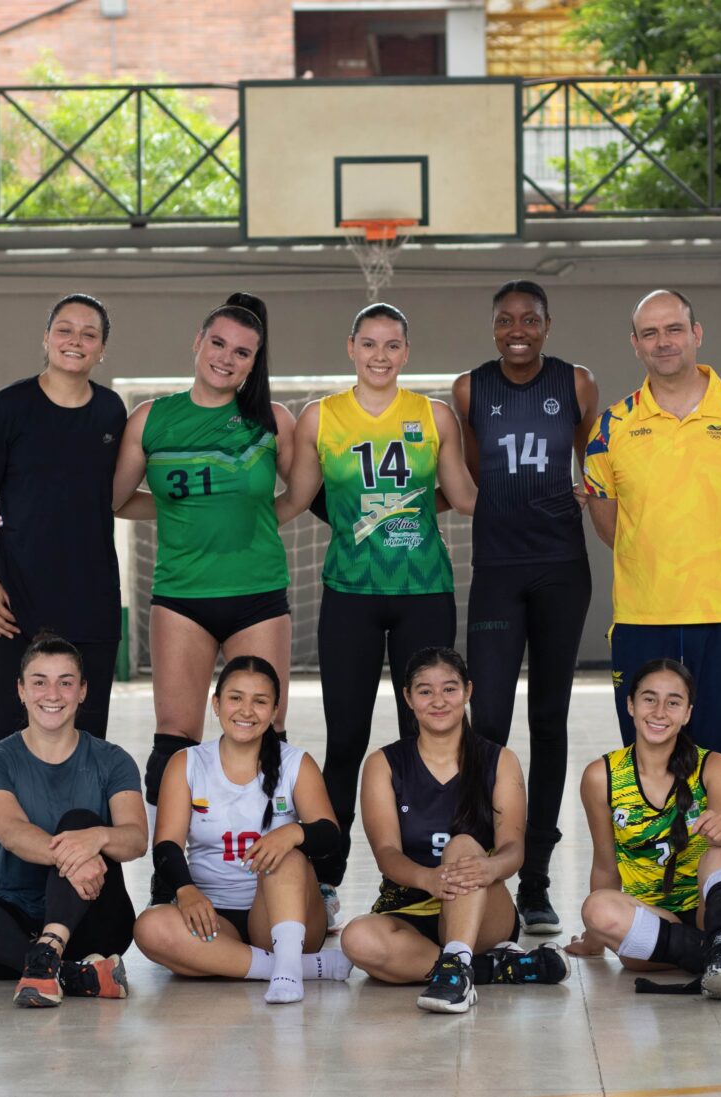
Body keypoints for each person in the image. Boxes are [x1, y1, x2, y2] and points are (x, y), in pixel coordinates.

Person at [275, 303, 478, 912]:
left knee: (429, 738)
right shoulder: (321, 416)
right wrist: (227, 519)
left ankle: (426, 877)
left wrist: (541, 501)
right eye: (370, 344)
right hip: (349, 595)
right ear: (351, 347)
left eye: (392, 345)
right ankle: (329, 880)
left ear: (407, 353)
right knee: (347, 739)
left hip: (423, 592)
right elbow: (298, 500)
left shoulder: (434, 414)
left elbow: (464, 495)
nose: (380, 356)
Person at [582, 289, 721, 841]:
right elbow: (608, 522)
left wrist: (714, 552)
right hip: (643, 619)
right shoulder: (611, 427)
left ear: (697, 334)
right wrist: (656, 556)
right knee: (645, 771)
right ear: (634, 345)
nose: (663, 342)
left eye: (673, 329)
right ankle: (651, 906)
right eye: (649, 333)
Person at [107, 295, 299, 853]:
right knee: (174, 740)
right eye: (217, 343)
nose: (226, 358)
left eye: (241, 352)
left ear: (253, 361)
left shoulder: (271, 421)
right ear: (198, 343)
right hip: (181, 597)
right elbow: (118, 499)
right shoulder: (151, 418)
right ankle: (174, 869)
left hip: (257, 594)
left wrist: (255, 519)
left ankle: (278, 861)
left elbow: (305, 493)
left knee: (267, 734)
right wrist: (179, 511)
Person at [0, 293, 128, 874]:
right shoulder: (7, 408)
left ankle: (82, 880)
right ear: (46, 337)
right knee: (9, 740)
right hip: (19, 602)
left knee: (87, 746)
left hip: (93, 603)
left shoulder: (112, 415)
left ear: (102, 347)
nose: (75, 339)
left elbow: (122, 498)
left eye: (88, 332)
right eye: (64, 329)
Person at [450, 279, 600, 935]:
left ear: (546, 324)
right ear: (493, 327)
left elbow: (593, 467)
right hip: (498, 572)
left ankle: (536, 879)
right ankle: (481, 865)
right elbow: (477, 474)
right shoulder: (469, 389)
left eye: (530, 319)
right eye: (506, 319)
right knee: (487, 724)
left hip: (562, 569)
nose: (518, 328)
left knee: (549, 718)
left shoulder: (578, 383)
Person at [564, 658, 721, 1000]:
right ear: (630, 704)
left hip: (720, 911)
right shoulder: (601, 776)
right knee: (596, 908)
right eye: (649, 698)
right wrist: (595, 937)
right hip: (654, 924)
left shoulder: (713, 765)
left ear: (687, 713)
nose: (659, 711)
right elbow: (605, 865)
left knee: (720, 856)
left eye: (673, 702)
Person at [0, 631, 147, 1008]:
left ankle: (47, 956)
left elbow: (136, 839)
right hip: (8, 930)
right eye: (39, 682)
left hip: (95, 924)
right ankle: (69, 972)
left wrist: (98, 837)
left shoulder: (112, 760)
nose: (53, 694)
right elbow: (11, 831)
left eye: (66, 683)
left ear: (83, 691)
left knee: (80, 821)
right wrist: (76, 851)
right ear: (22, 691)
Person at [338, 648, 567, 1015]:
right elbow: (387, 853)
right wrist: (429, 880)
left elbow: (512, 847)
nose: (438, 701)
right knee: (357, 939)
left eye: (449, 689)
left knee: (462, 845)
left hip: (482, 910)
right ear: (408, 697)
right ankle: (490, 968)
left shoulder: (499, 760)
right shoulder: (383, 763)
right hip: (410, 906)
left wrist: (491, 869)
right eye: (425, 691)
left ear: (468, 691)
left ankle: (458, 964)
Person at [131, 656, 353, 1004]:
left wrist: (292, 834)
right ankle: (299, 968)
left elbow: (329, 835)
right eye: (235, 698)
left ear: (275, 711)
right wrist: (186, 891)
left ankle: (285, 961)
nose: (246, 710)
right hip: (214, 915)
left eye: (260, 701)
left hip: (283, 913)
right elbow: (166, 845)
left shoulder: (296, 763)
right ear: (216, 704)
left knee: (288, 857)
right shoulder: (187, 763)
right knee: (149, 928)